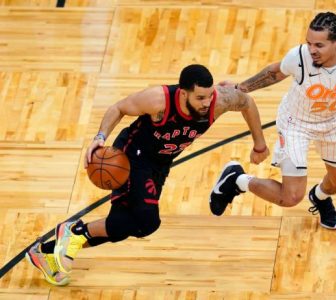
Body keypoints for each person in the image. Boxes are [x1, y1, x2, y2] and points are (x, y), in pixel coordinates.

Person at [25, 64, 270, 285]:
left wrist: (259, 143)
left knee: (122, 227)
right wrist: (99, 138)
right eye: (200, 98)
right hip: (133, 155)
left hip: (160, 164)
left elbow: (247, 103)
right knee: (147, 222)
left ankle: (45, 252)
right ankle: (74, 233)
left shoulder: (221, 100)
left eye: (209, 96)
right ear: (183, 93)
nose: (207, 103)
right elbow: (118, 107)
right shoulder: (158, 100)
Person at [209, 12, 336, 230]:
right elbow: (273, 73)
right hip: (296, 123)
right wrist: (239, 89)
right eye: (309, 43)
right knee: (291, 197)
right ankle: (238, 180)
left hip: (333, 123)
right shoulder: (300, 57)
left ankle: (320, 197)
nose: (312, 50)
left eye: (319, 45)